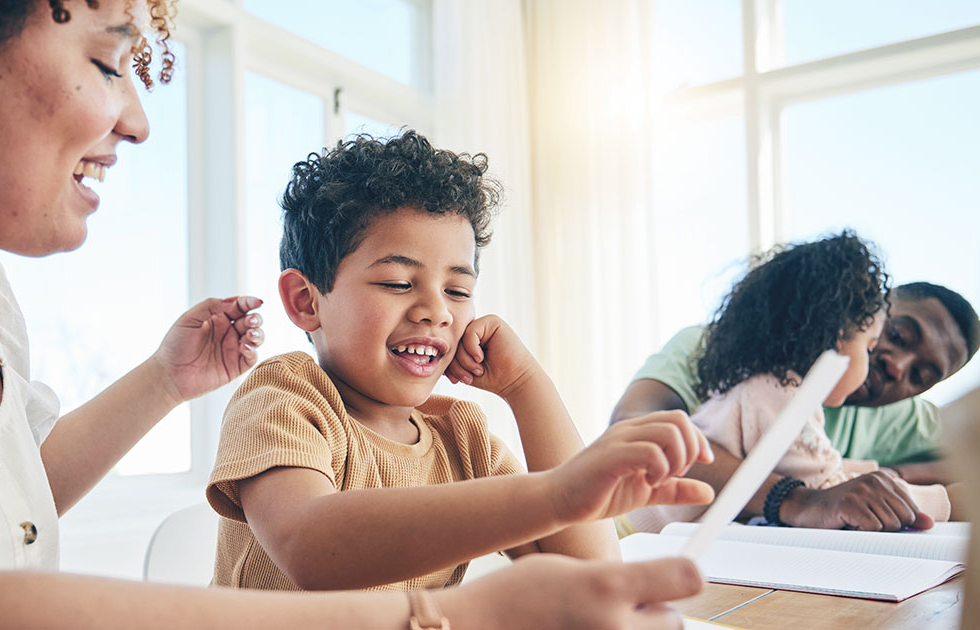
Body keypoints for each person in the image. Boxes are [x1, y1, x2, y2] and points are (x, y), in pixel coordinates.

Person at [0, 1, 707, 628]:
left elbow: (0, 493)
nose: (138, 119)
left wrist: (161, 383)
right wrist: (450, 613)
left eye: (458, 288)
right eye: (107, 60)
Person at [205, 131, 715, 591]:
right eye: (398, 283)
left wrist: (525, 384)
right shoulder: (283, 399)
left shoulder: (461, 437)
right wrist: (554, 493)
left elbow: (590, 573)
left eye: (457, 289)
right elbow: (311, 547)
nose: (437, 311)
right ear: (305, 301)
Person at [625, 232, 951, 534]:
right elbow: (828, 495)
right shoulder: (779, 396)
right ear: (836, 337)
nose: (893, 367)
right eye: (874, 343)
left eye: (921, 376)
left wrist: (890, 476)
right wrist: (941, 501)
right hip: (632, 542)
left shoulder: (758, 380)